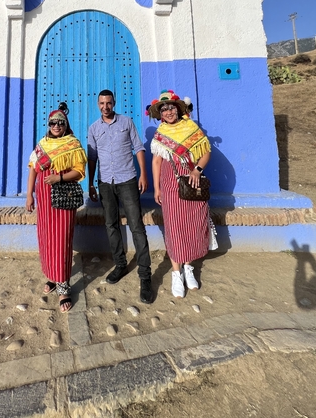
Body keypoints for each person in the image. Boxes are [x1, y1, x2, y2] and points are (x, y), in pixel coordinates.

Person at [88, 90, 152, 304]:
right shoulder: (94, 129)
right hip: (105, 182)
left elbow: (139, 148)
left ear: (114, 103)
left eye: (109, 103)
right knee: (111, 225)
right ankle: (121, 264)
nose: (105, 106)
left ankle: (145, 276)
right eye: (102, 103)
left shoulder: (126, 122)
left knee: (136, 225)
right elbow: (92, 157)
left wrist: (143, 174)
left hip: (128, 180)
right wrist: (90, 183)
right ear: (98, 105)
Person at [149, 90, 211, 298]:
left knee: (193, 223)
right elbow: (157, 161)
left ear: (178, 109)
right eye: (164, 109)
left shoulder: (191, 129)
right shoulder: (160, 134)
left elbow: (205, 152)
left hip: (192, 181)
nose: (168, 112)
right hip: (170, 184)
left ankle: (189, 267)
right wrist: (157, 188)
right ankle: (176, 273)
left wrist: (197, 170)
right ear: (161, 113)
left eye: (171, 108)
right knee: (174, 226)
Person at [26, 103, 87, 313]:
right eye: (53, 122)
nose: (56, 125)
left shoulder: (72, 144)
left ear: (66, 124)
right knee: (46, 237)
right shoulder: (41, 145)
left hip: (62, 197)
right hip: (43, 198)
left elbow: (79, 172)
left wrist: (59, 177)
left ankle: (63, 286)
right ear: (48, 124)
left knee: (61, 238)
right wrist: (29, 196)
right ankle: (52, 275)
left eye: (60, 122)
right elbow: (33, 170)